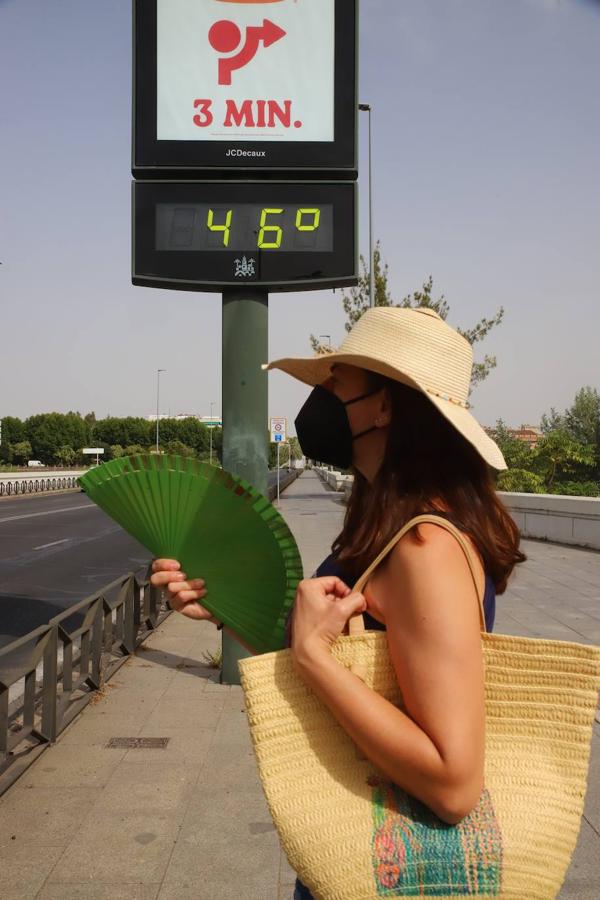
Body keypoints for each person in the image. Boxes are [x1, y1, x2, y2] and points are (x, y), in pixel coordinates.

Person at [151, 307, 525, 900]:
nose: (320, 396)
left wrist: (311, 655)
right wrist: (224, 607)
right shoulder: (387, 522)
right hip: (357, 860)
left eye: (336, 380)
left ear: (385, 406)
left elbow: (453, 785)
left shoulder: (425, 549)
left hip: (392, 870)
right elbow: (354, 665)